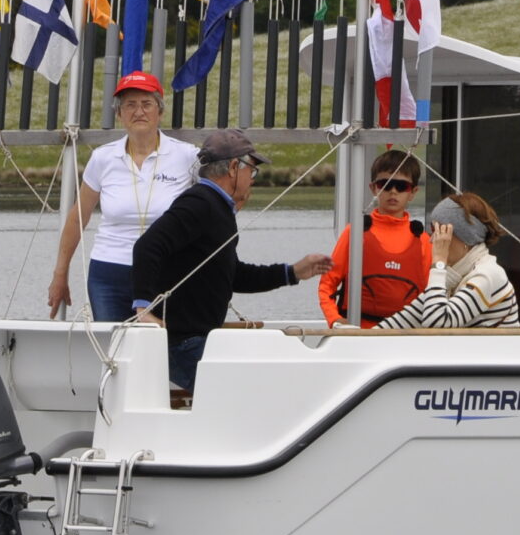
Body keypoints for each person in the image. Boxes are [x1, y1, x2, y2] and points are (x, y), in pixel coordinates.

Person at [129, 129, 331, 398]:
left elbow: (232, 275)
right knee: (251, 395)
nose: (253, 179)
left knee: (258, 389)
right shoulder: (199, 202)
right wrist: (143, 309)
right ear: (235, 167)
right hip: (183, 342)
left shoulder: (217, 208)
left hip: (198, 340)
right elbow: (147, 246)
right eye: (252, 170)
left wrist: (292, 272)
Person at [45, 71, 199, 322]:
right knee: (113, 351)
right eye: (130, 105)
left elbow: (220, 198)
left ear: (160, 112)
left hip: (167, 271)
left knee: (162, 349)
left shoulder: (187, 156)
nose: (139, 111)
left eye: (146, 104)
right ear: (119, 114)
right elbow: (77, 219)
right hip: (109, 272)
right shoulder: (103, 158)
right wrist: (60, 274)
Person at [316, 148, 432, 327]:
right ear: (373, 188)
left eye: (401, 186)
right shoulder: (355, 233)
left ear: (413, 192)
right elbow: (326, 285)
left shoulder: (423, 240)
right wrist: (336, 321)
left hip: (406, 338)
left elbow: (431, 296)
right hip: (359, 336)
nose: (393, 191)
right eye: (385, 184)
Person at [379, 193, 520, 329]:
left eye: (439, 232)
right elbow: (407, 319)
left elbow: (436, 323)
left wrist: (439, 263)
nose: (432, 239)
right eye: (432, 230)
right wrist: (369, 335)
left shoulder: (488, 274)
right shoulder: (455, 276)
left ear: (466, 238)